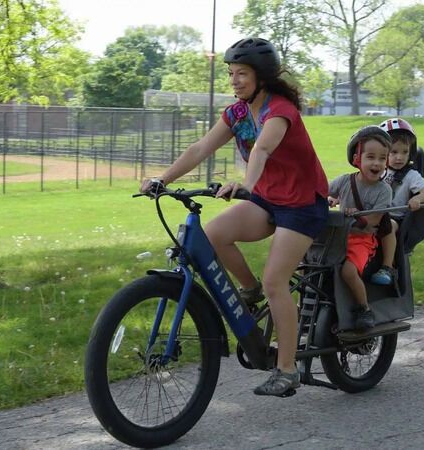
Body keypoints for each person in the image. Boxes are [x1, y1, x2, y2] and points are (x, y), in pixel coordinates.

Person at [139, 37, 329, 397]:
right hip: (268, 200)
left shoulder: (281, 109)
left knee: (277, 280)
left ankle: (287, 370)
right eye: (231, 73)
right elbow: (200, 147)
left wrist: (246, 184)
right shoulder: (238, 112)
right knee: (211, 236)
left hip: (302, 205)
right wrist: (163, 179)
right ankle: (249, 289)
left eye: (241, 73)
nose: (234, 80)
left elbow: (263, 148)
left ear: (262, 76)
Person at [327, 126, 393, 330]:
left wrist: (356, 216)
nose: (377, 163)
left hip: (362, 239)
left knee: (348, 271)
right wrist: (328, 199)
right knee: (307, 263)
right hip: (338, 235)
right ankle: (308, 308)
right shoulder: (344, 181)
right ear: (357, 158)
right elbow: (321, 194)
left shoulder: (384, 191)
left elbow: (374, 220)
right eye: (371, 157)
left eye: (382, 158)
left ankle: (364, 309)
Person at [370, 118, 424, 286]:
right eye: (394, 152)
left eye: (405, 152)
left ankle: (387, 267)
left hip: (394, 218)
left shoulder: (411, 176)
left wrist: (417, 198)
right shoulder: (376, 170)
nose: (400, 157)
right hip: (372, 214)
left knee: (388, 226)